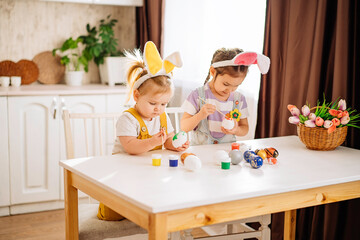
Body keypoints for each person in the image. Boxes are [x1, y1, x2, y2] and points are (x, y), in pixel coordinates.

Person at [98, 41, 190, 221]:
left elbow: (169, 139)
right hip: (124, 172)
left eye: (164, 104)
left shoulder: (162, 117)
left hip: (148, 172)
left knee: (158, 199)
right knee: (113, 213)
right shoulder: (128, 119)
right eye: (153, 103)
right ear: (137, 96)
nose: (159, 109)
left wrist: (175, 145)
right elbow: (131, 147)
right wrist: (154, 142)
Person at [181, 48, 270, 145]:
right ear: (213, 72)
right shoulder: (198, 95)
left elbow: (245, 129)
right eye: (226, 84)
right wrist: (199, 116)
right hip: (201, 153)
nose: (230, 90)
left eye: (236, 85)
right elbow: (184, 127)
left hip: (227, 152)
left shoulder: (238, 100)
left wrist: (236, 130)